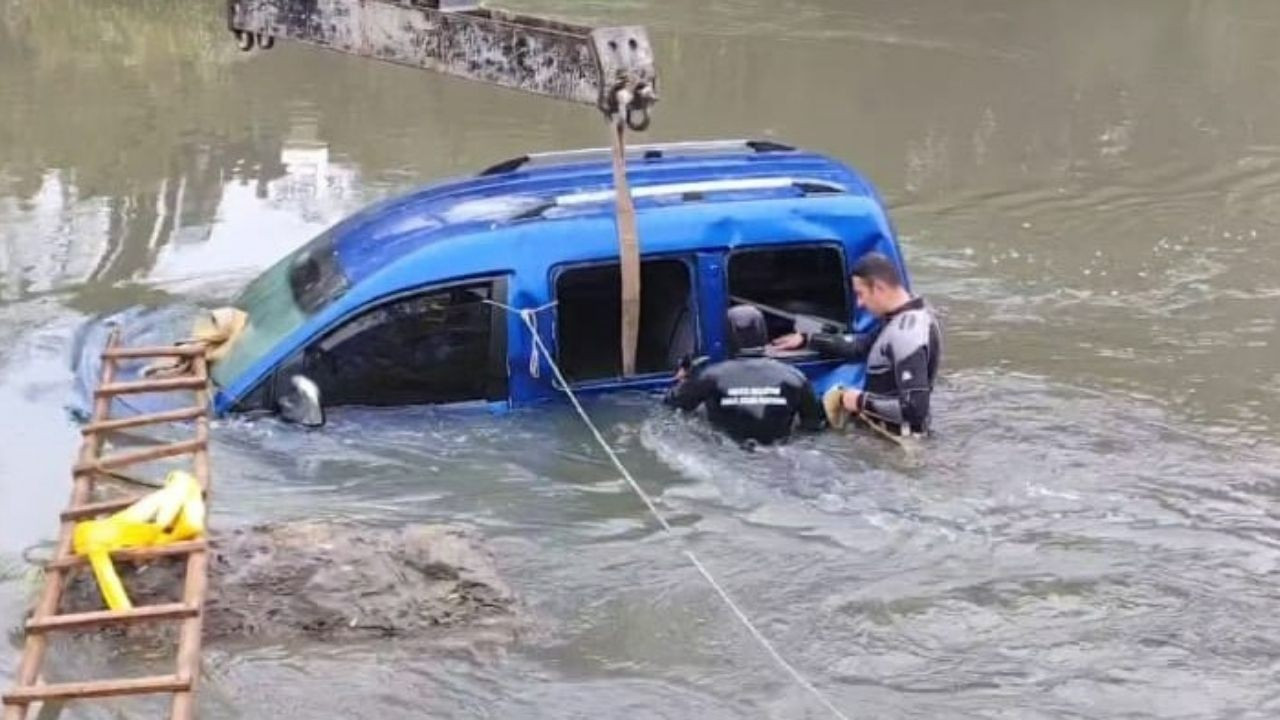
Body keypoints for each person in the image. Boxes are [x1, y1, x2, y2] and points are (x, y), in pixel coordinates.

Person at [771, 252, 941, 436]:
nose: (859, 303)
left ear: (879, 288)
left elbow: (915, 410)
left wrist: (859, 401)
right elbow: (860, 346)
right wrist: (808, 338)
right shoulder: (903, 317)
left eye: (861, 294)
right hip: (884, 435)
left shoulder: (908, 333)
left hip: (897, 446)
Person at [663, 305, 826, 445]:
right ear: (764, 333)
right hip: (779, 456)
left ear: (728, 336)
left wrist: (684, 378)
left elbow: (671, 405)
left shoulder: (709, 376)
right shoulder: (794, 377)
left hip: (726, 456)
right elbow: (815, 424)